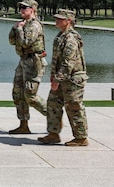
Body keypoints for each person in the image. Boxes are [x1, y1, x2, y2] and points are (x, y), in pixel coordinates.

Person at [38, 9, 89, 146]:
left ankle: (81, 137)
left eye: (60, 19)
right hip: (62, 77)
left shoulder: (71, 38)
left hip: (73, 79)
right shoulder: (61, 36)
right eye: (57, 18)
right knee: (53, 104)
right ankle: (53, 134)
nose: (57, 20)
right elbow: (57, 60)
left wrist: (57, 79)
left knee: (74, 106)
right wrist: (53, 75)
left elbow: (68, 62)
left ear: (68, 21)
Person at [8, 0, 47, 134]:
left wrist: (18, 29)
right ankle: (23, 124)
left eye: (25, 8)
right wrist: (15, 28)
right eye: (21, 8)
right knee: (18, 93)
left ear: (32, 10)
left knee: (30, 95)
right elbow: (12, 41)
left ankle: (53, 115)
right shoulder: (23, 24)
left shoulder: (35, 26)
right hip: (23, 61)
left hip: (33, 62)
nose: (22, 10)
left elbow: (26, 42)